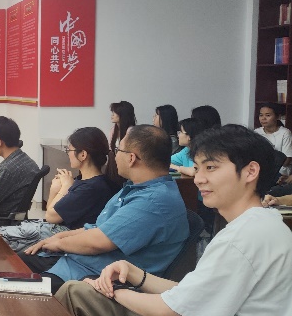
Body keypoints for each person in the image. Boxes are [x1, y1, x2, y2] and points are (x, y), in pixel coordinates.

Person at [57, 125, 292, 316]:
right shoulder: (257, 225)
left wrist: (111, 290)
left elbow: (171, 311)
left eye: (211, 168)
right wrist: (137, 275)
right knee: (75, 293)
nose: (199, 179)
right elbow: (192, 294)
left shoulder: (245, 239)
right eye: (198, 168)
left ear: (250, 171)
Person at [22, 125, 188, 293]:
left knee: (20, 290)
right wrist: (59, 237)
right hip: (79, 263)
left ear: (131, 158)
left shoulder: (153, 202)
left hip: (92, 279)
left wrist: (60, 244)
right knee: (20, 260)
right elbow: (98, 228)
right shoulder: (135, 188)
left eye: (118, 150)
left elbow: (97, 242)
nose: (114, 156)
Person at [0, 127, 117, 253]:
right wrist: (54, 190)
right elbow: (51, 210)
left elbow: (51, 216)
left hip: (64, 237)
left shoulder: (91, 188)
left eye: (69, 150)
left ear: (83, 154)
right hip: (54, 230)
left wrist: (65, 187)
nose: (68, 154)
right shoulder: (83, 180)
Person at [254, 102, 291, 183]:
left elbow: (287, 159)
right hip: (260, 169)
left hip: (279, 171)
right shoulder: (256, 132)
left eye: (268, 115)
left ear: (277, 117)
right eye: (261, 115)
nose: (263, 118)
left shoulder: (284, 133)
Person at [106, 100, 136, 185]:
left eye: (114, 112)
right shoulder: (113, 130)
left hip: (126, 166)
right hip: (113, 166)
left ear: (122, 114)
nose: (112, 115)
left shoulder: (131, 131)